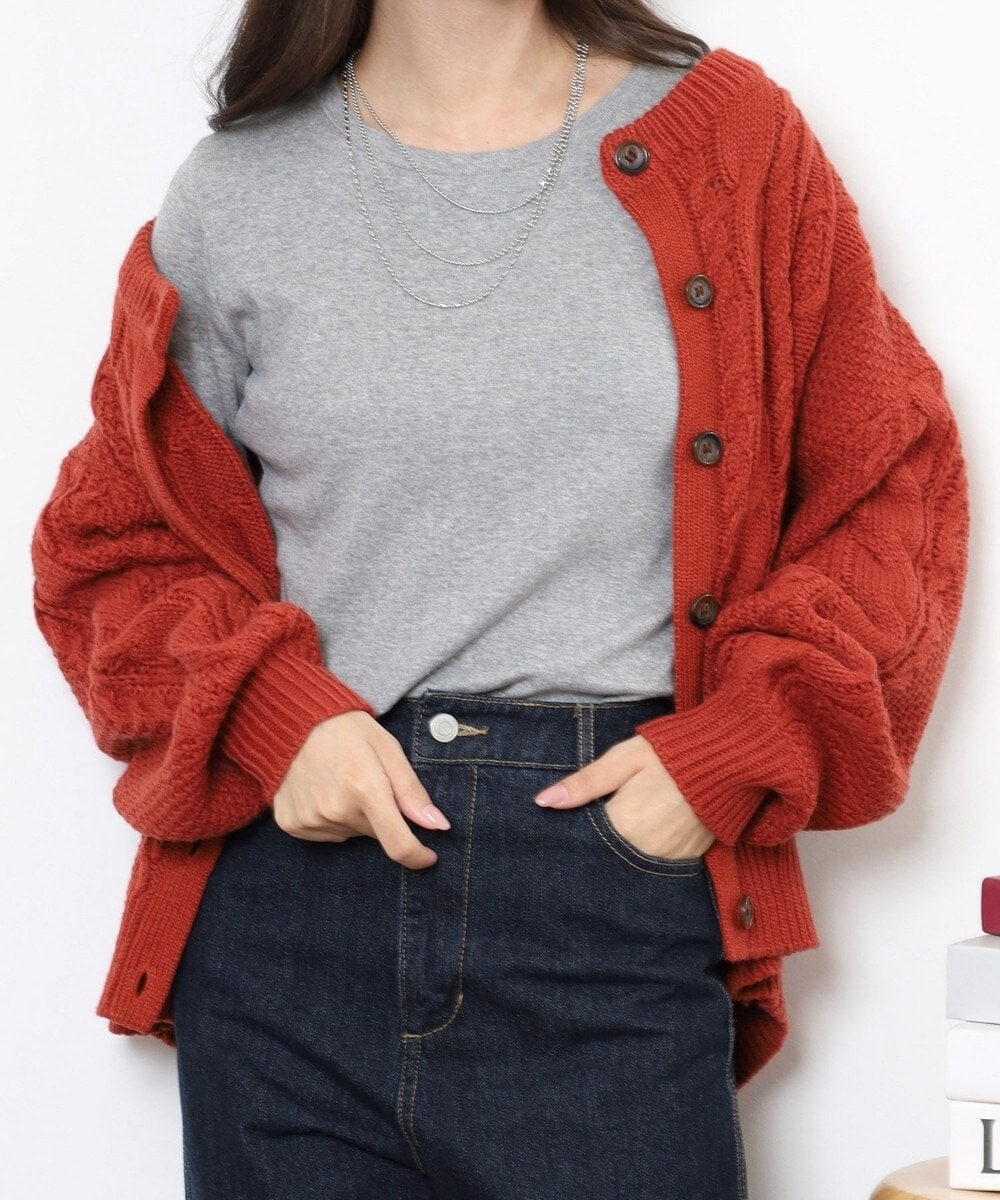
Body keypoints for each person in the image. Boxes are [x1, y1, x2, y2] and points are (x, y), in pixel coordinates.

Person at [30, 0, 969, 1195]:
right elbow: (111, 541)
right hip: (292, 910)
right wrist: (276, 720)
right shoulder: (237, 190)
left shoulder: (729, 141)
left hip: (608, 891)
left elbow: (890, 484)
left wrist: (737, 747)